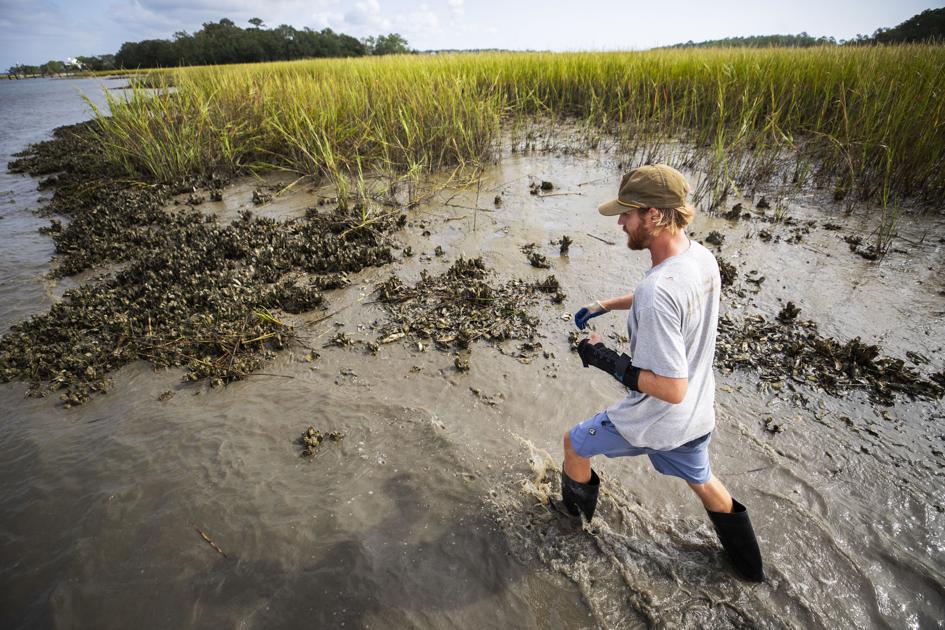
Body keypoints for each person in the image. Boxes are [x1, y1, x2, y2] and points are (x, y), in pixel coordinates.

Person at [562, 164, 764, 582]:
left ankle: (571, 530)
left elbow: (670, 388)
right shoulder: (699, 258)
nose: (620, 223)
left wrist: (604, 357)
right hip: (697, 416)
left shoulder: (659, 291)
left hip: (659, 418)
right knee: (705, 482)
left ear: (653, 215)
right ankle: (750, 570)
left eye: (627, 214)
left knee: (575, 444)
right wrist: (607, 304)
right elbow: (668, 296)